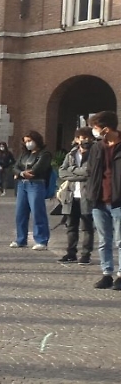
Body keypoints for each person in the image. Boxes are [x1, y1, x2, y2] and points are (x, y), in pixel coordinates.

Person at [84, 111, 121, 290]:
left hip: (118, 201)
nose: (94, 132)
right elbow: (90, 171)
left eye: (96, 128)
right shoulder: (97, 148)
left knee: (120, 240)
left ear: (107, 128)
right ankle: (107, 273)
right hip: (99, 200)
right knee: (104, 240)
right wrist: (90, 193)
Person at [57, 127, 95, 265]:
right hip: (71, 196)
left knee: (87, 227)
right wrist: (77, 174)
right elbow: (61, 172)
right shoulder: (71, 154)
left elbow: (88, 172)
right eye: (80, 137)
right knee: (71, 226)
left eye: (86, 137)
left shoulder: (94, 153)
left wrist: (71, 170)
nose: (83, 140)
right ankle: (71, 253)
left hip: (87, 195)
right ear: (76, 139)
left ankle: (86, 254)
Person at [10, 130, 53, 250]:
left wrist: (19, 173)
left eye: (30, 141)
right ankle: (21, 239)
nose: (28, 144)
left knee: (37, 212)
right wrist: (21, 173)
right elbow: (14, 167)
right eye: (26, 142)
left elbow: (37, 169)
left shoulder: (45, 154)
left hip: (36, 184)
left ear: (36, 140)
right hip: (22, 185)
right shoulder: (24, 154)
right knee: (20, 213)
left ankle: (41, 240)